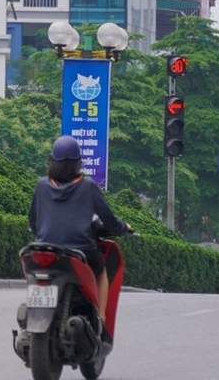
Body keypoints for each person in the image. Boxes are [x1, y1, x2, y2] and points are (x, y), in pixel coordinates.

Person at [28, 135, 131, 338]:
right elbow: (109, 220)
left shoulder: (41, 185)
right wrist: (123, 228)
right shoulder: (88, 186)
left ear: (53, 162)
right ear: (78, 163)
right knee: (101, 271)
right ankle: (100, 320)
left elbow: (33, 220)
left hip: (44, 249)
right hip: (80, 251)